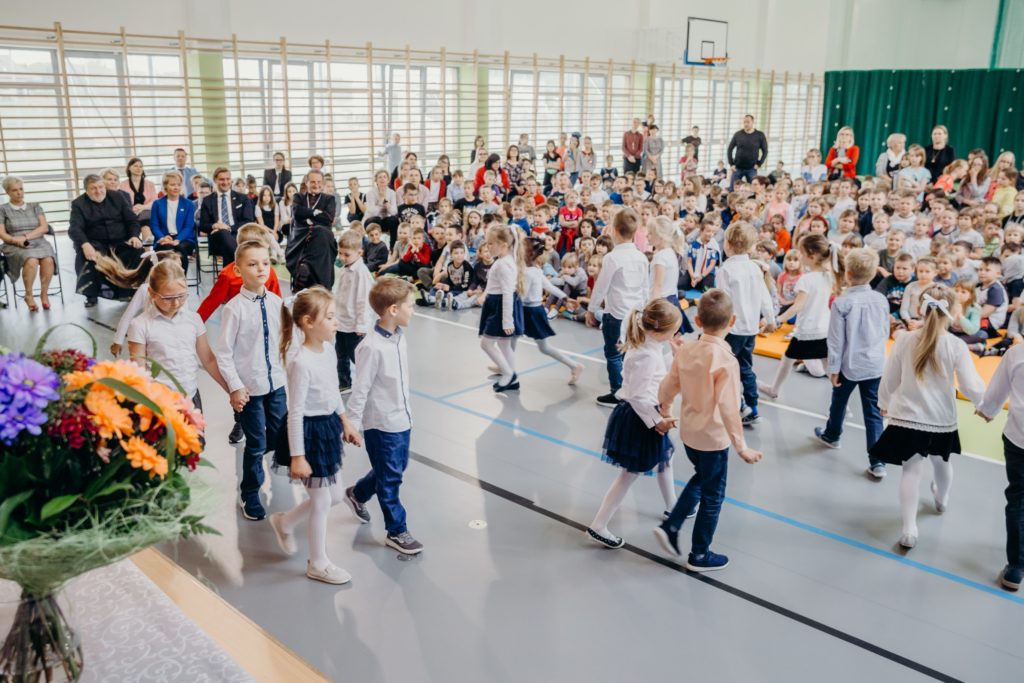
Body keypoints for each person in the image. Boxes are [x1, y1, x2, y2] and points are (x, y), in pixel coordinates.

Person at [654, 289, 763, 571]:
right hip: (713, 439)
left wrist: (664, 408)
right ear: (733, 321)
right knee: (713, 494)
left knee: (702, 478)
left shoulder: (686, 349)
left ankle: (673, 525)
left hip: (689, 433)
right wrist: (741, 446)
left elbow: (668, 385)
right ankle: (698, 553)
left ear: (698, 320)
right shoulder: (726, 360)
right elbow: (729, 407)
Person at [870, 284, 986, 550]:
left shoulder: (905, 340)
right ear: (953, 312)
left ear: (920, 309)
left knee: (911, 471)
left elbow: (890, 378)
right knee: (942, 462)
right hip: (940, 419)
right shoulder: (956, 345)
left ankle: (909, 528)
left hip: (907, 417)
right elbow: (970, 384)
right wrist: (984, 405)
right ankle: (942, 499)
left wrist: (883, 402)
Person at [268, 286, 358, 585]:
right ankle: (318, 563)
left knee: (334, 496)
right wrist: (298, 456)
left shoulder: (328, 350)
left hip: (328, 427)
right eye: (329, 317)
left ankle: (285, 521)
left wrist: (345, 421)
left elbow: (332, 391)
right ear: (308, 322)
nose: (336, 322)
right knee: (321, 501)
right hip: (308, 434)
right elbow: (295, 412)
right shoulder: (300, 362)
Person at [586, 298, 682, 548]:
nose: (677, 333)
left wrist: (674, 355)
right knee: (629, 474)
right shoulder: (646, 355)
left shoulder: (649, 346)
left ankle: (672, 506)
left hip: (643, 415)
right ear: (661, 330)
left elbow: (657, 375)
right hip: (641, 418)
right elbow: (639, 396)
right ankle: (598, 525)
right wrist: (658, 422)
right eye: (675, 330)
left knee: (666, 457)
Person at [344, 278, 424, 555]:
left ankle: (357, 494)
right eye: (410, 305)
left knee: (396, 468)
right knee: (390, 479)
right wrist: (352, 424)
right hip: (381, 424)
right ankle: (396, 530)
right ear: (393, 309)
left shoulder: (399, 336)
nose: (413, 310)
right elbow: (361, 389)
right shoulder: (371, 347)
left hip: (402, 418)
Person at [213, 239, 287, 522]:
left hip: (276, 385)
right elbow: (224, 353)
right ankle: (250, 492)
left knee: (277, 435)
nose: (261, 269)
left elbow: (285, 343)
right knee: (256, 443)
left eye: (265, 263)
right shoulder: (234, 309)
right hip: (250, 390)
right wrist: (235, 386)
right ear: (238, 270)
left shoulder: (277, 303)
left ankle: (257, 458)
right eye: (253, 264)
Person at [813, 249, 890, 479]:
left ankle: (832, 435)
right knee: (873, 412)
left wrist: (833, 368)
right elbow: (884, 332)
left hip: (849, 365)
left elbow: (835, 340)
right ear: (873, 274)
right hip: (874, 364)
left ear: (847, 274)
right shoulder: (881, 299)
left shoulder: (842, 303)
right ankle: (878, 461)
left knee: (839, 401)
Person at [126, 258, 229, 410]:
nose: (175, 303)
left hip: (191, 397)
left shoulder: (193, 319)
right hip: (160, 402)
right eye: (168, 298)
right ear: (152, 293)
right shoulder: (140, 325)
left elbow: (208, 360)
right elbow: (139, 370)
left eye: (181, 296)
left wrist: (231, 389)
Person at [586, 208, 650, 406]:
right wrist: (644, 310)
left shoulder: (612, 258)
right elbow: (645, 287)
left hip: (616, 314)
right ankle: (632, 388)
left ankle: (617, 392)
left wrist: (591, 309)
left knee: (614, 354)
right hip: (635, 313)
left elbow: (601, 287)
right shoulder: (641, 257)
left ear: (614, 231)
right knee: (631, 353)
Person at [759, 234, 838, 397]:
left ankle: (774, 390)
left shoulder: (806, 279)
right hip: (823, 329)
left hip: (806, 330)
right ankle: (840, 398)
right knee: (826, 365)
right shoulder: (828, 276)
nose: (800, 257)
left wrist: (777, 320)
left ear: (812, 256)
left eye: (801, 253)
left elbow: (798, 306)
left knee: (788, 359)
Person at [715, 221, 777, 424]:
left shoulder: (726, 270)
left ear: (728, 244)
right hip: (749, 329)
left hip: (732, 329)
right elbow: (765, 297)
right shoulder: (754, 268)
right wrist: (770, 320)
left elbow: (723, 302)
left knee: (725, 367)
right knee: (745, 367)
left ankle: (738, 404)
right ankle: (753, 405)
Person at [977, 342, 1024, 591]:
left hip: (1019, 438)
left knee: (1018, 499)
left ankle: (1016, 568)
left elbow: (997, 391)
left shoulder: (1016, 354)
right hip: (1018, 438)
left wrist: (987, 410)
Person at [69, 174, 144, 307]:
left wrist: (134, 236)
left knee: (138, 252)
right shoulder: (78, 204)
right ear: (86, 190)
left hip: (121, 241)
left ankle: (130, 292)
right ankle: (91, 296)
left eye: (101, 187)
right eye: (93, 188)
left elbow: (132, 220)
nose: (98, 191)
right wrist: (85, 244)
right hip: (95, 244)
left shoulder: (117, 197)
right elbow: (75, 229)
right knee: (86, 256)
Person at [521, 238, 585, 384]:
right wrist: (565, 297)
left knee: (543, 347)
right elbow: (549, 286)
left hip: (532, 312)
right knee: (511, 337)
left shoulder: (530, 272)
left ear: (528, 254)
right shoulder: (535, 270)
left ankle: (574, 366)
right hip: (528, 310)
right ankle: (505, 366)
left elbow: (522, 295)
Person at [478, 224, 525, 393]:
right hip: (496, 303)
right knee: (504, 344)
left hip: (501, 306)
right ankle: (513, 379)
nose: (487, 247)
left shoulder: (503, 264)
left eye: (491, 243)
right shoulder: (503, 261)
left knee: (486, 344)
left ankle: (508, 373)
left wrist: (507, 320)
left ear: (504, 245)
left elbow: (507, 294)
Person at [0, 176, 56, 312]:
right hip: (14, 244)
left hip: (37, 240)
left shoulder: (35, 206)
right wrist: (16, 240)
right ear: (7, 192)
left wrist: (26, 237)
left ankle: (44, 294)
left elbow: (44, 227)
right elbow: (2, 234)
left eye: (21, 189)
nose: (19, 193)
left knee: (48, 260)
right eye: (14, 190)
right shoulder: (2, 209)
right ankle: (29, 295)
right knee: (31, 260)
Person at [333, 231, 374, 393]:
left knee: (357, 357)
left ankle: (369, 382)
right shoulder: (345, 268)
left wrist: (361, 325)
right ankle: (344, 383)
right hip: (341, 322)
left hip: (354, 326)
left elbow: (364, 301)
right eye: (340, 253)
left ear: (359, 253)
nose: (342, 258)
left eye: (346, 255)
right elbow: (339, 294)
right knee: (340, 355)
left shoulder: (361, 273)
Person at [285, 170, 337, 292]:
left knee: (320, 232)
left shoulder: (329, 199)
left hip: (322, 237)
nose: (316, 185)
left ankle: (306, 268)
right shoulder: (298, 197)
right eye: (312, 182)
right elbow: (297, 212)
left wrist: (307, 215)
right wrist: (314, 212)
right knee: (319, 230)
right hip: (301, 236)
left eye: (319, 182)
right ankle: (312, 278)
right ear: (307, 183)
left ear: (323, 183)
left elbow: (329, 218)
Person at [199, 166, 255, 267]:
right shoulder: (207, 201)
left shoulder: (243, 198)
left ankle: (230, 274)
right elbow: (202, 225)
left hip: (239, 236)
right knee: (223, 233)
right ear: (215, 180)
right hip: (217, 239)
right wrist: (215, 225)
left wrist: (228, 228)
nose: (225, 182)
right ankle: (244, 264)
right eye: (221, 179)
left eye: (228, 179)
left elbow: (248, 221)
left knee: (227, 244)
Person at [149, 171, 197, 274]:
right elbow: (154, 225)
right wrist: (162, 237)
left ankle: (181, 279)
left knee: (179, 249)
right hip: (164, 239)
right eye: (172, 184)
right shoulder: (157, 204)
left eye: (178, 184)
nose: (176, 187)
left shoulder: (188, 204)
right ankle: (172, 280)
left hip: (184, 239)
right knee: (169, 249)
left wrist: (178, 239)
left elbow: (189, 226)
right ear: (165, 186)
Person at [727, 114, 768, 189]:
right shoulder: (738, 134)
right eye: (744, 122)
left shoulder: (760, 135)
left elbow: (765, 151)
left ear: (752, 122)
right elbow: (729, 149)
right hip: (737, 168)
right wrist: (731, 164)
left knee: (753, 190)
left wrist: (759, 163)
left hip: (752, 169)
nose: (746, 124)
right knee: (732, 189)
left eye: (748, 122)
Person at [365, 169, 400, 245]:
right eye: (380, 177)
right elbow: (372, 213)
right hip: (372, 220)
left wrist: (386, 203)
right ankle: (373, 246)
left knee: (394, 220)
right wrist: (380, 203)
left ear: (388, 180)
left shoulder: (392, 193)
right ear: (376, 180)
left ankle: (393, 246)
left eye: (384, 177)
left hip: (386, 221)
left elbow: (394, 212)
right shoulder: (370, 193)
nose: (382, 179)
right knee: (376, 218)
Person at [120, 157, 157, 225]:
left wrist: (143, 207)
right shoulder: (122, 185)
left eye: (140, 166)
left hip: (147, 213)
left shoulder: (150, 184)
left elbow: (154, 202)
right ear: (129, 168)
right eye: (135, 166)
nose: (138, 168)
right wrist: (133, 209)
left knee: (145, 224)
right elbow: (122, 203)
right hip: (129, 214)